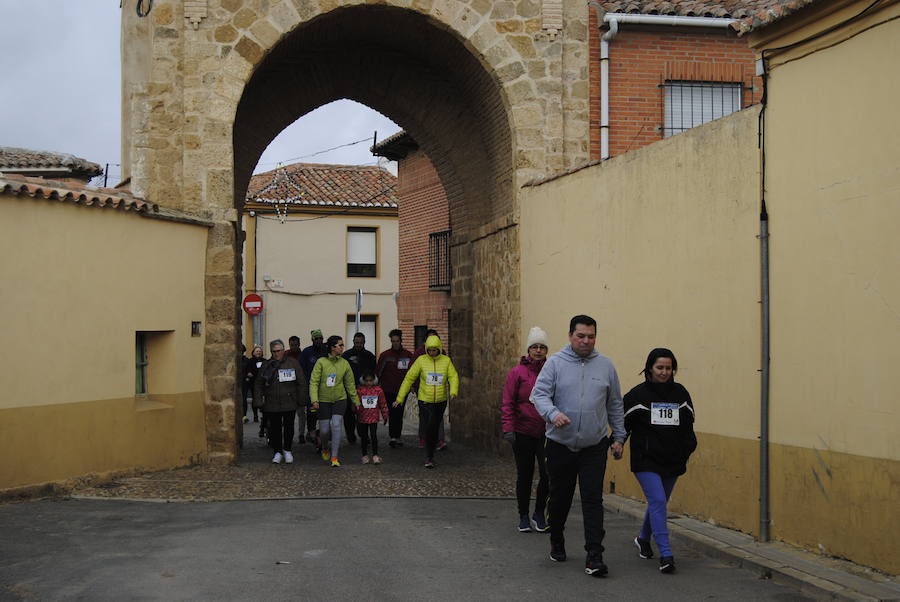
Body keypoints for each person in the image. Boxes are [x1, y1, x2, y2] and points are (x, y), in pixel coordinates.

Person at [530, 315, 625, 577]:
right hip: (560, 444)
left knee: (593, 499)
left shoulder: (606, 366)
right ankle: (557, 537)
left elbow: (615, 403)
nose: (586, 341)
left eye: (591, 336)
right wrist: (552, 414)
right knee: (560, 497)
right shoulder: (555, 364)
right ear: (571, 335)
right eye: (581, 336)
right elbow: (538, 395)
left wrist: (619, 437)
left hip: (594, 445)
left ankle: (594, 555)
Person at [623, 348, 697, 574]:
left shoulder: (681, 394)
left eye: (668, 368)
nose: (664, 372)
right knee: (657, 500)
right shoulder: (637, 395)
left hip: (672, 459)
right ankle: (666, 553)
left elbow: (688, 424)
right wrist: (617, 442)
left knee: (659, 502)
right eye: (659, 368)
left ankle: (643, 538)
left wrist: (687, 448)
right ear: (649, 369)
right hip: (646, 460)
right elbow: (622, 423)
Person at [501, 326, 550, 534]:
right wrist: (508, 428)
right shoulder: (517, 373)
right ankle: (523, 515)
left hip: (547, 431)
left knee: (548, 474)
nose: (538, 351)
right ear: (528, 349)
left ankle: (539, 513)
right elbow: (507, 402)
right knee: (525, 474)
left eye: (542, 347)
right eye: (535, 347)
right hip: (522, 430)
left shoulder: (551, 370)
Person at [394, 334, 459, 468]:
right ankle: (429, 457)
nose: (432, 353)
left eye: (434, 350)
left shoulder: (446, 361)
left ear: (439, 349)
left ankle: (431, 453)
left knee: (434, 428)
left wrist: (453, 391)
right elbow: (409, 378)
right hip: (425, 400)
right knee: (430, 426)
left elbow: (453, 376)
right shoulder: (421, 360)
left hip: (440, 400)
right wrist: (400, 398)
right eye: (429, 350)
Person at [254, 339, 309, 464]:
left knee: (289, 427)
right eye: (274, 351)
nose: (276, 353)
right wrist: (258, 401)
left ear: (283, 350)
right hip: (272, 402)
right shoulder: (266, 365)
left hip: (289, 401)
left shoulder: (293, 363)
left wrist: (302, 399)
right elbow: (258, 384)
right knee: (275, 429)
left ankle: (288, 449)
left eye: (279, 351)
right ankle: (277, 451)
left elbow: (301, 382)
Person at [309, 335, 359, 467]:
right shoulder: (321, 362)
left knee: (336, 425)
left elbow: (350, 384)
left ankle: (334, 457)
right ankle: (325, 447)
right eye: (340, 345)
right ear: (332, 347)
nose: (343, 347)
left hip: (340, 399)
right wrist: (314, 399)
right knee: (325, 431)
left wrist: (356, 401)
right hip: (324, 400)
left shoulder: (344, 363)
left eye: (342, 345)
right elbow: (313, 382)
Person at [376, 329, 414, 448]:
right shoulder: (385, 356)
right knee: (393, 413)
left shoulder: (408, 355)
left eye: (397, 341)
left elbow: (412, 372)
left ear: (401, 341)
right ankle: (394, 436)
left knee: (399, 412)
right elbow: (378, 372)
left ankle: (397, 436)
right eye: (393, 341)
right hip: (389, 390)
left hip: (403, 390)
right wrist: (377, 387)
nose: (395, 343)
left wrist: (412, 385)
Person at [413, 329, 448, 450]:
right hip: (424, 391)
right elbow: (412, 372)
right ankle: (423, 438)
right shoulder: (419, 354)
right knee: (425, 416)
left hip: (438, 391)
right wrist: (415, 387)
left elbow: (448, 370)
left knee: (438, 416)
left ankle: (440, 439)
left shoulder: (442, 353)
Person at [342, 332, 376, 445]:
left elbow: (374, 373)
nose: (358, 345)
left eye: (361, 343)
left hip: (365, 390)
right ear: (353, 342)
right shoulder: (346, 355)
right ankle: (350, 436)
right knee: (348, 415)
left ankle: (364, 436)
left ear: (364, 342)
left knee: (364, 415)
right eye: (356, 342)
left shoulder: (370, 356)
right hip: (349, 390)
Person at [355, 371, 389, 464]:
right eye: (367, 381)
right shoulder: (360, 391)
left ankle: (375, 455)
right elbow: (355, 403)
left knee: (374, 436)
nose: (369, 383)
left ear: (374, 381)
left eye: (371, 381)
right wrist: (356, 410)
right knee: (364, 437)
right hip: (362, 418)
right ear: (363, 381)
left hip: (373, 417)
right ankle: (364, 455)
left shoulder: (378, 391)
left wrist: (385, 415)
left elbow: (383, 404)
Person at [301, 330, 328, 447]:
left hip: (325, 388)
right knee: (312, 412)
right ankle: (311, 431)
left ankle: (324, 433)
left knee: (324, 412)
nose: (318, 341)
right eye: (316, 339)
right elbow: (301, 369)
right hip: (311, 388)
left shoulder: (326, 351)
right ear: (312, 340)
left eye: (320, 338)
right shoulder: (306, 352)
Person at [284, 335, 306, 442]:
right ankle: (289, 434)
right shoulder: (285, 355)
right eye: (292, 345)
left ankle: (301, 434)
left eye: (296, 345)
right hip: (288, 388)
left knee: (301, 413)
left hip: (299, 388)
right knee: (289, 414)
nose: (294, 347)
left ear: (299, 344)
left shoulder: (303, 355)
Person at [244, 345, 264, 425]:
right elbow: (248, 370)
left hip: (263, 383)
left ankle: (264, 415)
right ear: (253, 353)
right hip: (254, 382)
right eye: (257, 351)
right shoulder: (250, 361)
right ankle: (255, 415)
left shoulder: (264, 360)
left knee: (263, 399)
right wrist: (249, 373)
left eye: (259, 351)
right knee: (254, 399)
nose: (258, 352)